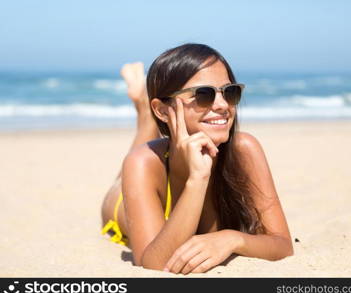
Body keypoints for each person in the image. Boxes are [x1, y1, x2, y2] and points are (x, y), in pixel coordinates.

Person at [101, 43, 293, 274]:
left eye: (229, 92)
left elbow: (282, 244)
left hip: (164, 137)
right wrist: (198, 178)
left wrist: (232, 239)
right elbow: (153, 263)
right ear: (162, 110)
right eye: (204, 95)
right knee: (139, 154)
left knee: (149, 147)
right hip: (121, 202)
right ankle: (145, 109)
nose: (222, 105)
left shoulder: (244, 149)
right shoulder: (142, 163)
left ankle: (146, 107)